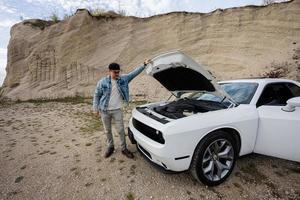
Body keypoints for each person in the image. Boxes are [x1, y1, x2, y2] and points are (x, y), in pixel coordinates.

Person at [93, 60, 150, 158]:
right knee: (107, 130)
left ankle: (124, 149)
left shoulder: (123, 79)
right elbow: (97, 95)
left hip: (117, 110)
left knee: (121, 130)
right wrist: (95, 108)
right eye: (115, 72)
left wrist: (144, 65)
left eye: (118, 72)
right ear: (109, 71)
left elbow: (134, 73)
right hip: (104, 110)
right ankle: (110, 147)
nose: (117, 74)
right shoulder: (102, 82)